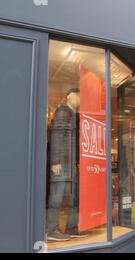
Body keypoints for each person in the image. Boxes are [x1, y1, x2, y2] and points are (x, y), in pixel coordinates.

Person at [46, 87, 88, 242]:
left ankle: (71, 227)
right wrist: (55, 161)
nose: (80, 99)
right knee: (56, 197)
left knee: (74, 197)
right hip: (62, 163)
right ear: (70, 96)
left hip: (70, 163)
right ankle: (51, 229)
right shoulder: (63, 111)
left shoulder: (72, 114)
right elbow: (57, 136)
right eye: (79, 95)